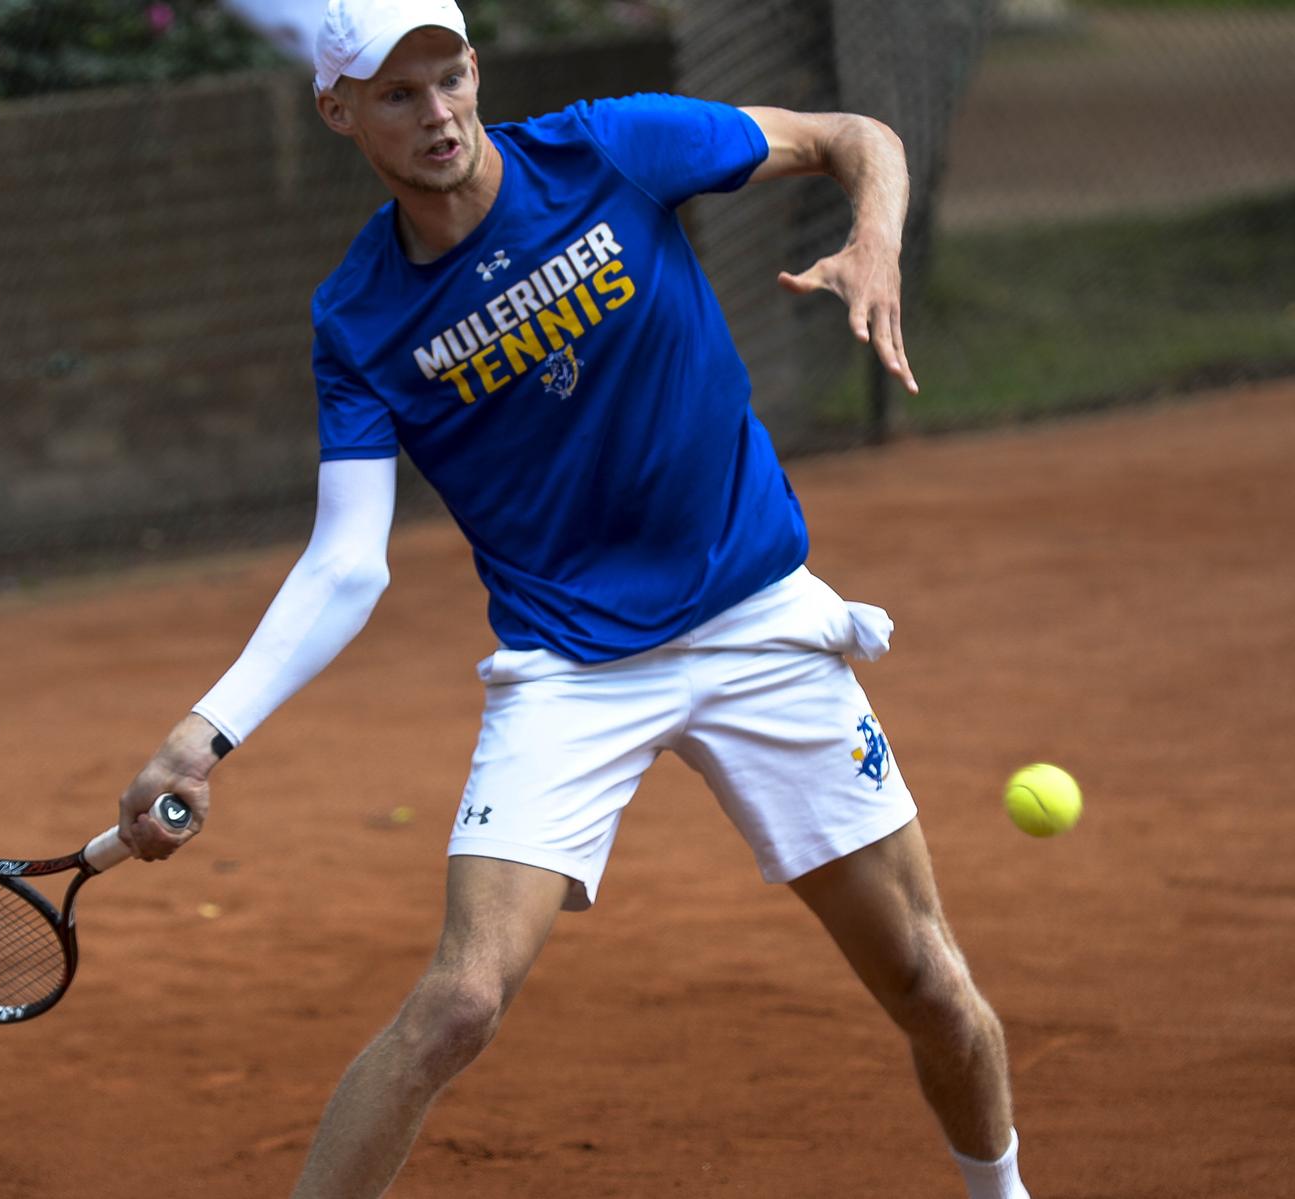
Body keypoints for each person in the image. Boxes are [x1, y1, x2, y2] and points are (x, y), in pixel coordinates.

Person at [116, 1, 1031, 1195]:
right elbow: (348, 560)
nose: (437, 112)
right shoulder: (359, 320)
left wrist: (877, 238)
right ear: (339, 110)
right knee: (457, 1002)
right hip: (569, 664)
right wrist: (203, 731)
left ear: (475, 68)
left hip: (753, 614)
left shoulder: (611, 146)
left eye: (448, 77)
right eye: (397, 95)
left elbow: (857, 133)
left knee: (927, 980)